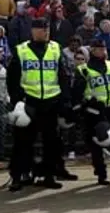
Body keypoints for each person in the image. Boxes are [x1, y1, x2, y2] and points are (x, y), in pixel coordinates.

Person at [7, 18, 71, 191]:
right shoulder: (21, 50)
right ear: (33, 31)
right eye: (42, 29)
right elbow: (12, 79)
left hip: (51, 101)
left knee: (51, 142)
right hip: (29, 102)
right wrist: (18, 101)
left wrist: (65, 100)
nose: (45, 32)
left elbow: (63, 76)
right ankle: (18, 176)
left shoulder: (55, 48)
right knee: (22, 142)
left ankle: (49, 175)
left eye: (47, 29)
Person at [71, 39, 110, 185]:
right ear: (92, 50)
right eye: (99, 49)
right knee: (97, 144)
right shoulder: (83, 70)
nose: (102, 51)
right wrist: (83, 106)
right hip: (95, 112)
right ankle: (101, 174)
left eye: (104, 48)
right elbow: (77, 93)